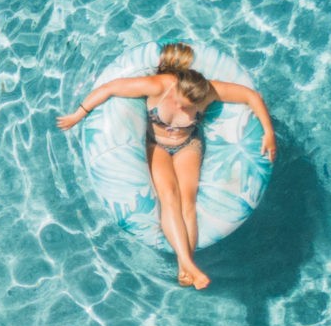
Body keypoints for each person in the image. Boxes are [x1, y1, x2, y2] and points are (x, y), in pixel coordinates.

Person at [58, 42, 277, 290]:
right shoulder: (159, 86)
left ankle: (186, 266)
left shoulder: (206, 91)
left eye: (192, 107)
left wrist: (269, 132)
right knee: (169, 196)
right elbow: (110, 88)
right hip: (156, 145)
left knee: (188, 201)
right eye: (182, 103)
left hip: (188, 145)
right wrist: (78, 114)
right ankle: (188, 264)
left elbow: (251, 96)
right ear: (176, 86)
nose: (185, 108)